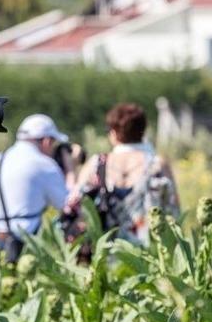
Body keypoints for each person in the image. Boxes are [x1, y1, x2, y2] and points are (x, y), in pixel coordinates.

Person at [66, 103, 180, 247]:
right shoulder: (157, 164)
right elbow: (174, 211)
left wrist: (70, 168)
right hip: (148, 254)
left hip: (106, 252)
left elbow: (73, 203)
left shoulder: (97, 164)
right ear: (143, 131)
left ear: (113, 132)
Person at [0, 114, 72, 262]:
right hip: (11, 246)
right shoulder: (44, 164)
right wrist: (70, 170)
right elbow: (66, 204)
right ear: (47, 141)